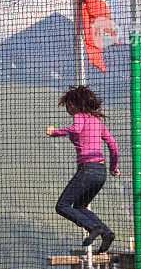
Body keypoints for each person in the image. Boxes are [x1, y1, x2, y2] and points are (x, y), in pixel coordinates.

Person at [47, 86, 119, 254]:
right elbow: (113, 146)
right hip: (101, 172)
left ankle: (93, 228)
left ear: (72, 104)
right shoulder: (98, 122)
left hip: (87, 169)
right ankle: (106, 232)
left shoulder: (79, 117)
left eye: (67, 106)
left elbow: (76, 129)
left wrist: (54, 132)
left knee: (62, 206)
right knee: (80, 206)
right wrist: (113, 167)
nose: (68, 109)